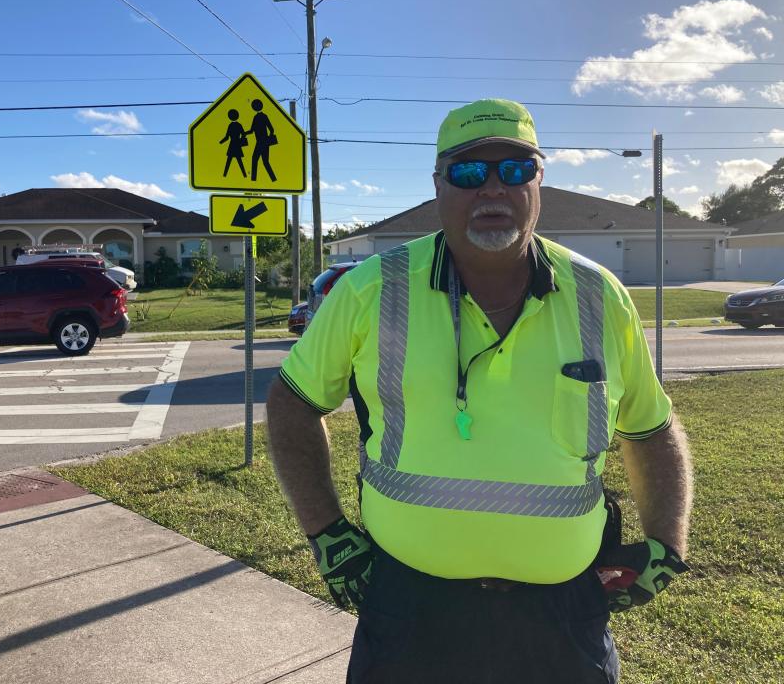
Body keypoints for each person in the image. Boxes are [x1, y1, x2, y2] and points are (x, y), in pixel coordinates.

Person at [266, 99, 693, 683]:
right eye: (468, 172)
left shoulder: (601, 296)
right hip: (410, 611)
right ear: (438, 185)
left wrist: (666, 544)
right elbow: (293, 401)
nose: (492, 188)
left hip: (562, 617)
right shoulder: (371, 290)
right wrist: (326, 532)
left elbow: (651, 429)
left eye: (514, 170)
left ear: (538, 182)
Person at [246, 98, 278, 182]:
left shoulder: (260, 117)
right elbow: (271, 129)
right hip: (262, 142)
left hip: (261, 142)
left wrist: (268, 139)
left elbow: (271, 129)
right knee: (265, 161)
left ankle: (253, 179)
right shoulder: (258, 117)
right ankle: (273, 179)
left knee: (255, 159)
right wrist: (244, 133)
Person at [220, 108, 248, 178]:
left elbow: (227, 137)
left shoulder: (231, 125)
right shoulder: (239, 125)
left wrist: (220, 142)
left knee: (229, 161)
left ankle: (225, 175)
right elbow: (243, 134)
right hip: (237, 144)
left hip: (232, 145)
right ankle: (244, 175)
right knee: (238, 161)